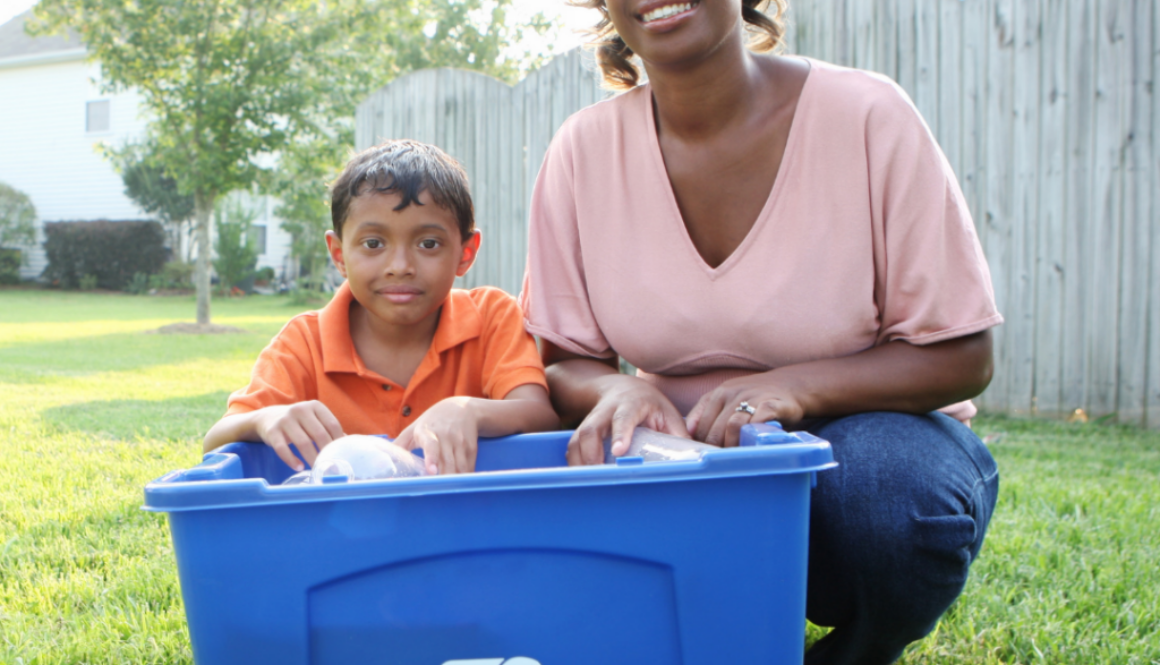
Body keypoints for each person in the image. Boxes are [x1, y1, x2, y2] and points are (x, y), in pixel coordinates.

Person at [520, 1, 1001, 663]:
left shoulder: (868, 114)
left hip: (864, 442)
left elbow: (963, 354)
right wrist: (618, 390)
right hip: (682, 463)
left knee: (889, 505)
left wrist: (792, 389)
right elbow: (561, 362)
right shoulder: (582, 151)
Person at [205, 139, 557, 475]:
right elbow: (216, 442)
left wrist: (469, 411)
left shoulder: (491, 315)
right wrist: (264, 419)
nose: (400, 266)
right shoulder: (304, 342)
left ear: (466, 253)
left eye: (428, 243)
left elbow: (542, 416)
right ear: (339, 254)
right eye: (373, 243)